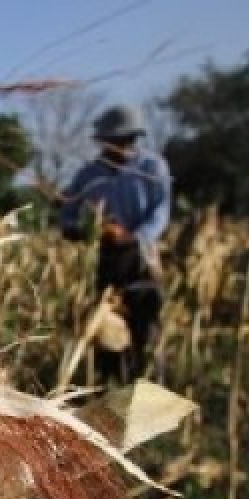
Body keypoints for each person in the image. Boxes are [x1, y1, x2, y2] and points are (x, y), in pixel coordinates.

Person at [60, 103, 171, 384]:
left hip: (141, 258)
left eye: (125, 140)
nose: (119, 146)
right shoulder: (88, 174)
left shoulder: (152, 167)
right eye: (113, 141)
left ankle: (145, 384)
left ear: (134, 139)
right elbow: (68, 211)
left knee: (144, 326)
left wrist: (133, 237)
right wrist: (78, 230)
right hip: (105, 260)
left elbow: (160, 211)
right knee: (105, 328)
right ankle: (107, 384)